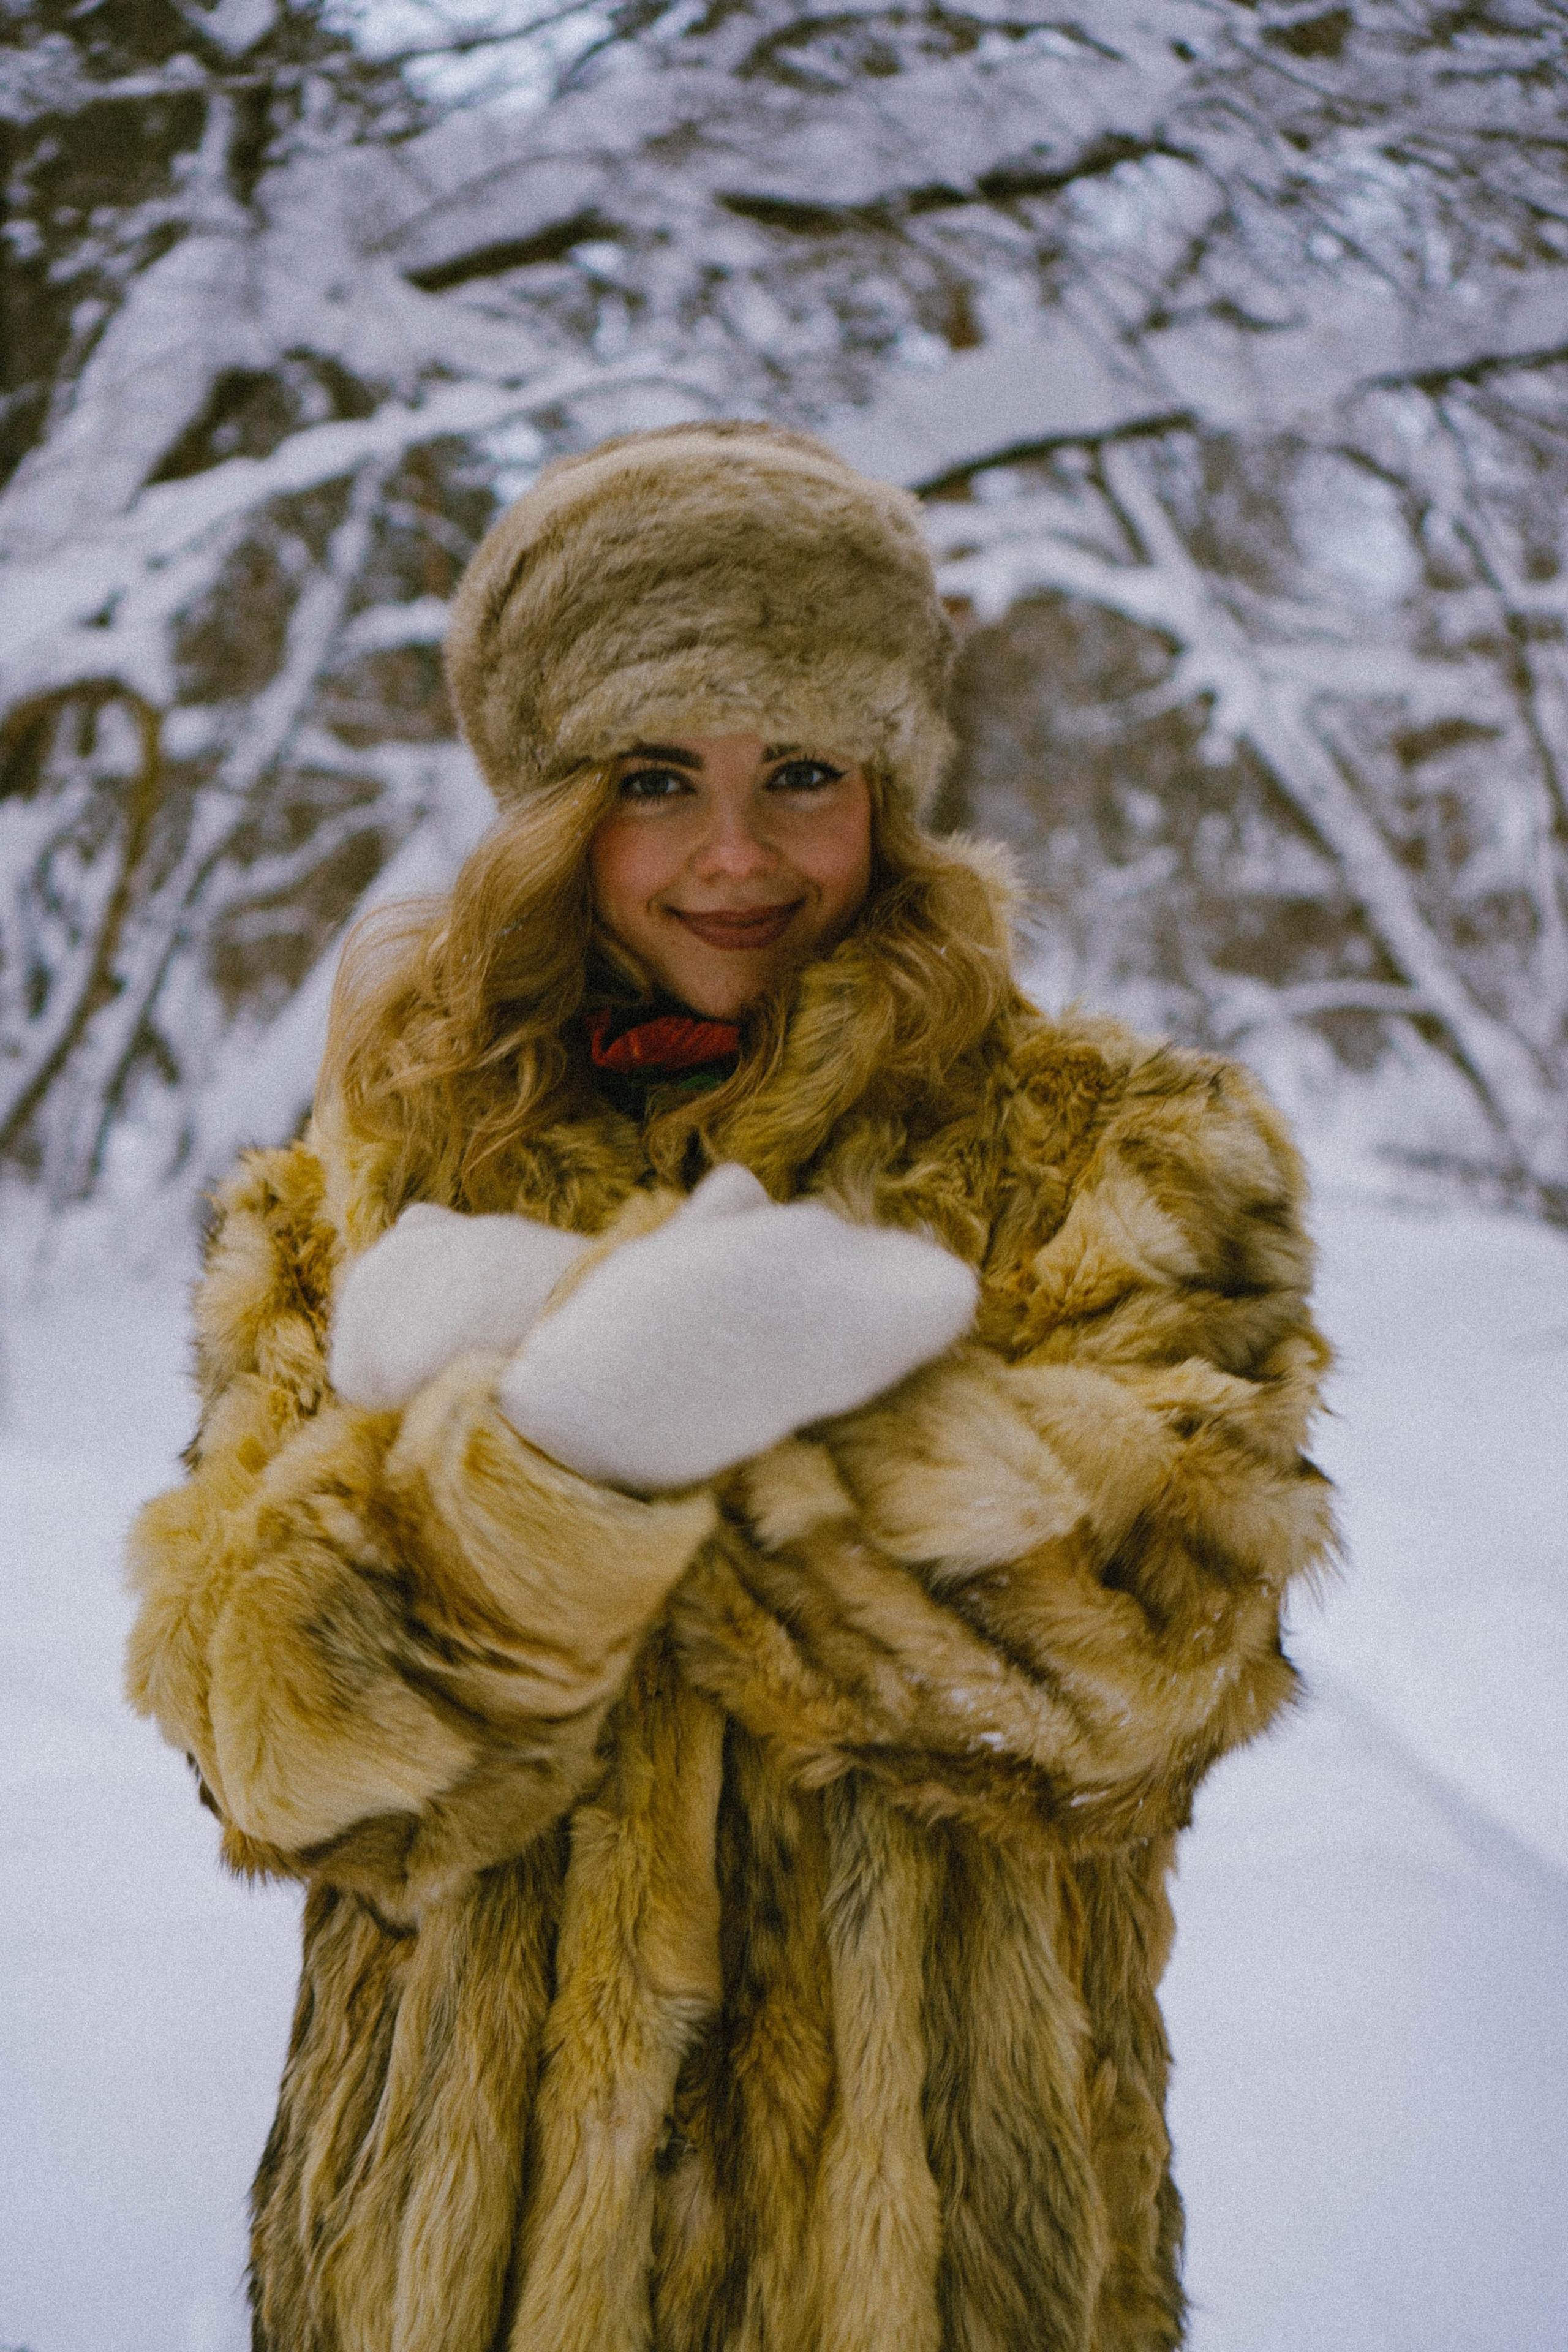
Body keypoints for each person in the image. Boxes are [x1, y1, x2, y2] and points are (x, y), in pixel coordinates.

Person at [125, 421, 1334, 2352]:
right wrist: (557, 1461)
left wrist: (622, 1393)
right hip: (456, 2279)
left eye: (803, 775)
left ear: (893, 788)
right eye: (655, 777)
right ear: (549, 801)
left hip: (935, 2273)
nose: (737, 854)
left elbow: (1145, 1665)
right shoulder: (363, 1189)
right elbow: (267, 1746)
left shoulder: (1120, 1150)